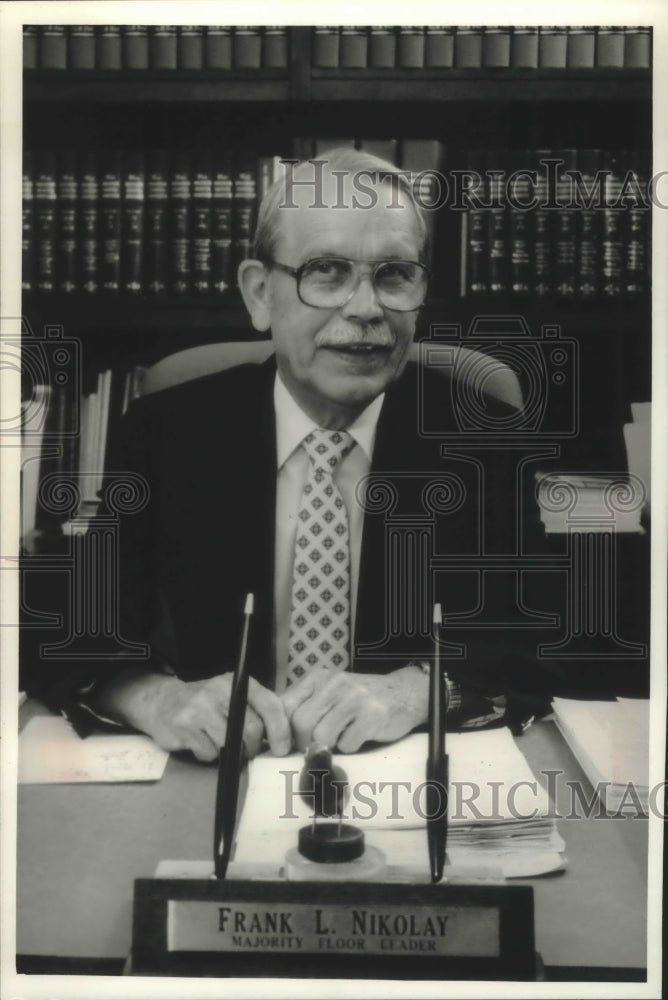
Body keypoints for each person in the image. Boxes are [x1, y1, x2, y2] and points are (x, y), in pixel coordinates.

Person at [24, 148, 552, 761]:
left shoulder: (484, 442)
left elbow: (538, 638)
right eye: (326, 271)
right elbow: (67, 625)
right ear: (259, 294)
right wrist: (149, 696)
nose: (365, 308)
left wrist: (420, 690)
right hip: (215, 779)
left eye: (394, 275)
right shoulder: (167, 431)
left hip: (406, 779)